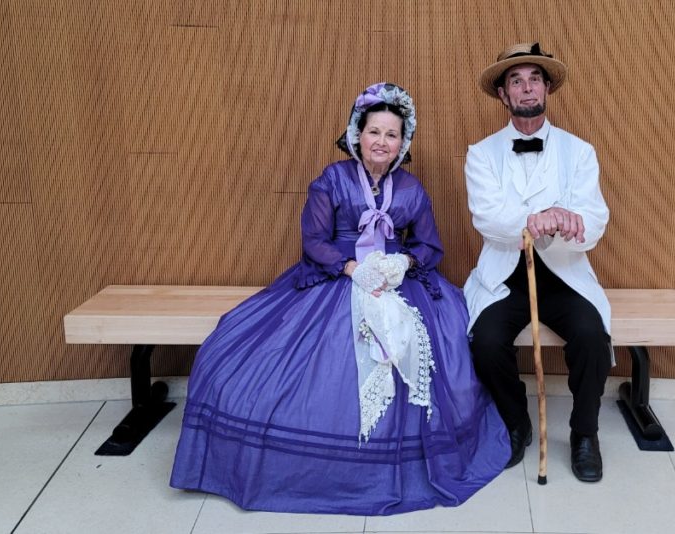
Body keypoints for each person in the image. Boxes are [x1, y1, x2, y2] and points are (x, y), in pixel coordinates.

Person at [171, 83, 509, 515]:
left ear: (403, 143)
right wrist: (352, 269)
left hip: (392, 278)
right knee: (300, 361)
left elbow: (429, 245)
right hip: (338, 275)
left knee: (432, 346)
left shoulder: (411, 189)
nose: (382, 142)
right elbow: (313, 240)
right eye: (374, 132)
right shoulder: (331, 179)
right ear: (356, 135)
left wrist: (402, 264)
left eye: (392, 135)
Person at [463, 43, 612, 483]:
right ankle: (516, 422)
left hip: (563, 272)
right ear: (503, 95)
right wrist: (533, 219)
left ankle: (585, 433)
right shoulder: (481, 153)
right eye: (515, 80)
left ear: (546, 88)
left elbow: (595, 217)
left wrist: (572, 220)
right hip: (506, 271)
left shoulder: (580, 151)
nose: (526, 87)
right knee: (485, 343)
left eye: (533, 79)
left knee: (591, 336)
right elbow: (487, 219)